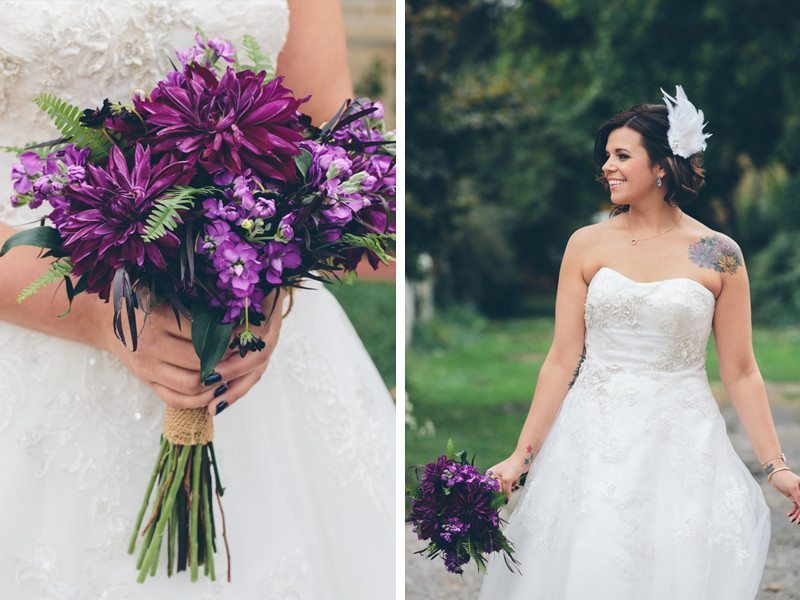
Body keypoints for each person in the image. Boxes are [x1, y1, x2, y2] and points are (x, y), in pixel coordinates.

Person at [0, 1, 395, 598]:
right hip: (37, 310)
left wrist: (267, 287)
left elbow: (329, 137)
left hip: (251, 324)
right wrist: (97, 314)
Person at [478, 87, 800, 599]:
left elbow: (740, 370)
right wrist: (522, 456)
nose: (607, 166)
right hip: (593, 437)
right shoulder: (586, 244)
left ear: (663, 167)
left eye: (622, 155)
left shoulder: (718, 253)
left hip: (681, 441)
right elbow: (563, 358)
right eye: (606, 155)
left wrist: (776, 466)